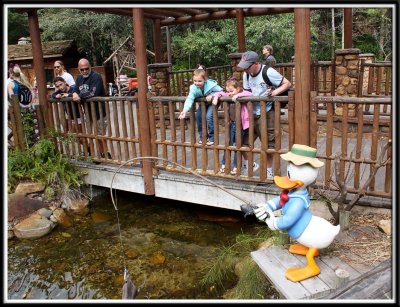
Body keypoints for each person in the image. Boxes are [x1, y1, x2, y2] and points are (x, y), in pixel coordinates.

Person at [238, 50, 292, 179]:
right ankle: (248, 166)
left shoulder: (268, 72)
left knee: (268, 144)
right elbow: (247, 92)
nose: (245, 69)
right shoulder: (246, 75)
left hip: (268, 112)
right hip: (252, 111)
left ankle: (269, 171)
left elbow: (287, 83)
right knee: (243, 142)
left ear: (256, 63)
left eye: (247, 66)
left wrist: (274, 92)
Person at [212, 78, 253, 175]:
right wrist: (216, 97)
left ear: (238, 89)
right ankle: (224, 164)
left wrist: (238, 95)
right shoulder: (229, 96)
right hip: (232, 124)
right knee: (228, 144)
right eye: (228, 91)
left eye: (232, 91)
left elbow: (250, 94)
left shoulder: (241, 95)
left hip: (241, 125)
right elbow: (219, 93)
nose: (229, 93)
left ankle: (236, 166)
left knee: (237, 145)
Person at [72, 58, 109, 159]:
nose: (84, 71)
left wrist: (79, 96)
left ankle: (104, 154)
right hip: (87, 113)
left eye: (86, 69)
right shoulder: (79, 78)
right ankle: (93, 155)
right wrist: (75, 93)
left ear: (90, 67)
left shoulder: (96, 76)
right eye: (82, 69)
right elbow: (74, 89)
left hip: (99, 113)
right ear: (78, 69)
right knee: (89, 135)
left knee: (100, 136)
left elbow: (94, 93)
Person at [178, 65, 222, 145]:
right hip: (204, 104)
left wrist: (212, 95)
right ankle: (203, 137)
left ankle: (212, 137)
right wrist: (184, 110)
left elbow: (221, 92)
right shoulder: (193, 88)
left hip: (213, 103)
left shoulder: (211, 85)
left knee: (209, 116)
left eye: (199, 81)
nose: (197, 83)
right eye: (195, 81)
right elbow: (190, 98)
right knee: (198, 116)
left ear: (204, 80)